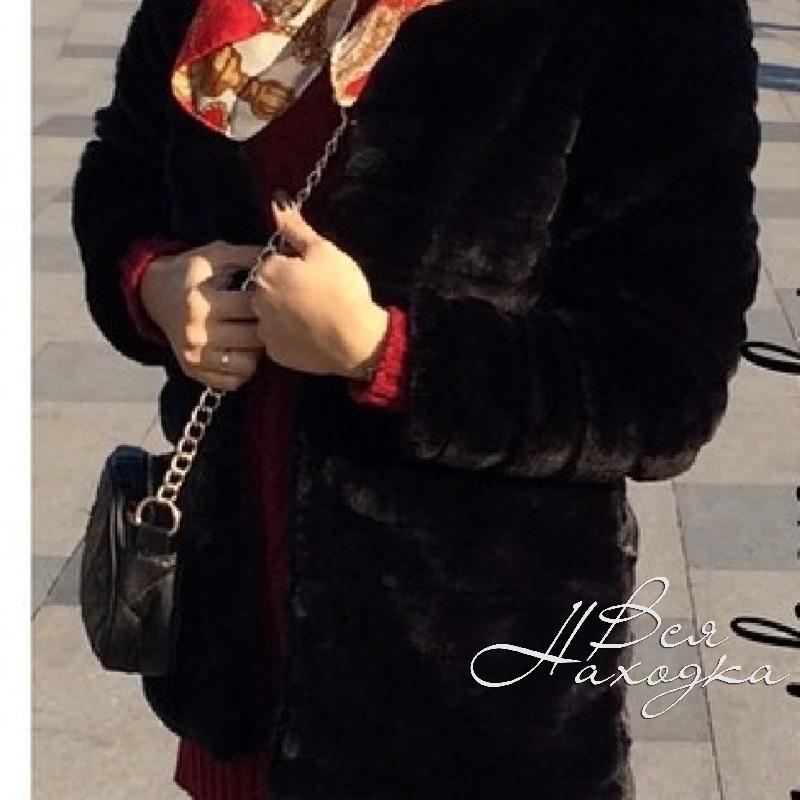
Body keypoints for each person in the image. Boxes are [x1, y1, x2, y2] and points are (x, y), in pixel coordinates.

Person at [71, 0, 761, 797]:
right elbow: (123, 170)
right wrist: (154, 282)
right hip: (234, 673)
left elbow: (667, 378)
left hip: (467, 705)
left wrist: (384, 350)